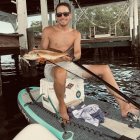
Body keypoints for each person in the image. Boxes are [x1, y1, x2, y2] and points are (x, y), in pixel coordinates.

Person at [40, 2, 139, 123]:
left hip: (70, 65)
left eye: (65, 13)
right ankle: (61, 105)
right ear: (56, 16)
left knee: (105, 69)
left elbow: (77, 54)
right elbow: (42, 51)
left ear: (70, 15)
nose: (62, 17)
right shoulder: (48, 31)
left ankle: (123, 106)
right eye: (59, 14)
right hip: (53, 66)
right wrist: (42, 58)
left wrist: (71, 58)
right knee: (61, 71)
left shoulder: (76, 34)